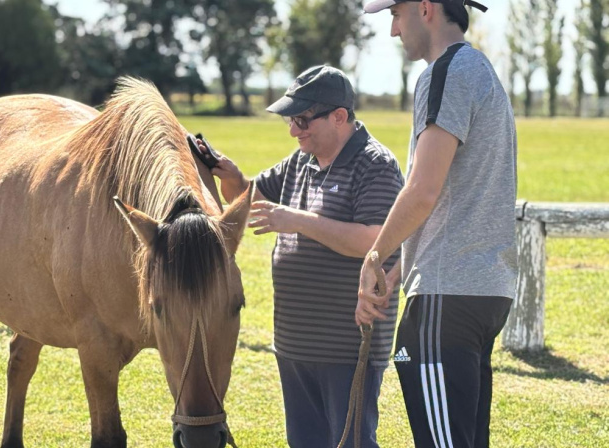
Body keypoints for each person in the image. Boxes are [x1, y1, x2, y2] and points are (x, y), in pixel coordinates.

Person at [199, 65, 404, 448]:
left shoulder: (375, 164)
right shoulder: (300, 160)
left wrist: (297, 220)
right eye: (291, 121)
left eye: (302, 119)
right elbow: (251, 201)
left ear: (339, 117)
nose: (294, 130)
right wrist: (232, 177)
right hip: (294, 347)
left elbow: (375, 241)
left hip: (347, 348)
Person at [358, 1, 518, 447]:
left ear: (424, 8)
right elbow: (458, 198)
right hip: (481, 293)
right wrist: (398, 272)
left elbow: (423, 190)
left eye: (395, 13)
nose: (392, 29)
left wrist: (375, 256)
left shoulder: (445, 73)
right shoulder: (481, 71)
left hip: (446, 300)